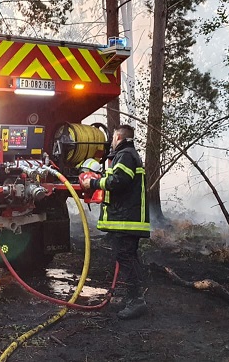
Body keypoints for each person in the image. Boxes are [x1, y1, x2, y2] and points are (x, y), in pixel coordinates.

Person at [81, 124, 151, 320]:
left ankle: (136, 302)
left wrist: (93, 183)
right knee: (128, 258)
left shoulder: (126, 155)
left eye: (113, 138)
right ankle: (133, 299)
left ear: (119, 137)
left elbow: (118, 181)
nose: (111, 141)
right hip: (126, 219)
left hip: (126, 220)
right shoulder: (127, 155)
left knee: (126, 259)